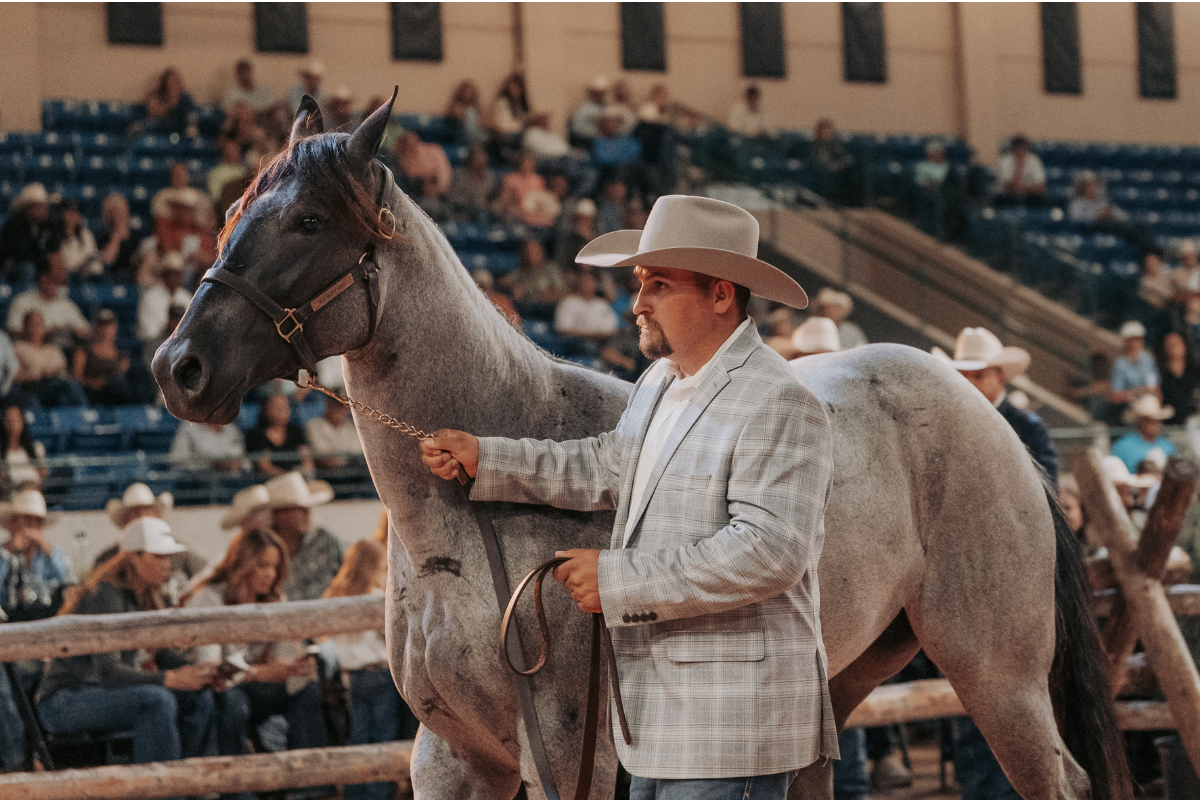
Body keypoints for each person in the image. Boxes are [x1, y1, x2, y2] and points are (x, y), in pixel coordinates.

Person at [420, 195, 836, 796]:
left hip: (732, 728)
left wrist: (616, 582)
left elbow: (769, 552)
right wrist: (491, 458)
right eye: (640, 283)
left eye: (659, 284)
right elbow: (605, 465)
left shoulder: (780, 402)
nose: (636, 302)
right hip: (658, 722)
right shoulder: (660, 383)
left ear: (721, 294)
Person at [38, 518, 217, 779]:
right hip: (66, 700)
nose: (168, 565)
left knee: (199, 698)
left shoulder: (143, 595)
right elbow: (108, 674)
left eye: (169, 557)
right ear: (134, 557)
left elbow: (158, 652)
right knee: (157, 700)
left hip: (94, 695)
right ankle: (159, 791)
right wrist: (172, 678)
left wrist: (200, 674)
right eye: (159, 556)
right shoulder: (105, 595)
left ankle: (191, 785)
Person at [182, 528, 330, 800]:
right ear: (243, 565)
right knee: (232, 701)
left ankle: (310, 788)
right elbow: (213, 670)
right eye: (263, 565)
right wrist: (263, 671)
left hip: (251, 683)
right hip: (211, 690)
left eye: (275, 567)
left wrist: (293, 667)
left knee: (304, 687)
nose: (270, 574)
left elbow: (284, 662)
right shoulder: (209, 598)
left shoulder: (274, 598)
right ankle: (238, 792)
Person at [324, 539, 414, 800]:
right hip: (379, 673)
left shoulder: (334, 598)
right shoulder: (377, 599)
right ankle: (379, 792)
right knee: (384, 734)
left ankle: (355, 791)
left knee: (358, 734)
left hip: (352, 676)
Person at [0, 488, 74, 773]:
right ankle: (17, 760)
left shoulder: (52, 556)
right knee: (7, 685)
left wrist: (48, 551)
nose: (31, 528)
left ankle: (26, 758)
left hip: (48, 640)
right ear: (13, 523)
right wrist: (8, 557)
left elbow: (70, 591)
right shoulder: (2, 556)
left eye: (36, 522)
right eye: (25, 521)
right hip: (10, 641)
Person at [941, 327, 1057, 482]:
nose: (969, 383)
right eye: (963, 375)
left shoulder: (1028, 427)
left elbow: (1047, 491)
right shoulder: (947, 423)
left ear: (1000, 376)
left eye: (978, 375)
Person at [265, 471, 342, 601]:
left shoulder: (327, 540)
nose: (306, 512)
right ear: (277, 514)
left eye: (305, 507)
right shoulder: (264, 545)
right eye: (296, 508)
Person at [7, 255, 90, 350]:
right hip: (33, 350)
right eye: (54, 281)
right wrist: (43, 333)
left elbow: (86, 332)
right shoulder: (23, 301)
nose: (57, 287)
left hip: (65, 351)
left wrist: (74, 332)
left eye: (59, 283)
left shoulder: (67, 304)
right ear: (43, 279)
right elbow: (12, 332)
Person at [11, 309, 85, 408]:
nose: (35, 329)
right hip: (33, 387)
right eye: (32, 325)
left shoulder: (53, 349)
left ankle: (83, 417)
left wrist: (53, 374)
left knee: (71, 388)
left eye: (39, 325)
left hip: (57, 387)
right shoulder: (17, 348)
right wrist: (37, 376)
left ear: (44, 328)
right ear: (24, 327)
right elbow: (13, 377)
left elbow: (64, 374)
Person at [73, 309, 147, 406]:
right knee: (119, 382)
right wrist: (95, 383)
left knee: (139, 371)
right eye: (102, 325)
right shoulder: (84, 351)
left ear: (115, 328)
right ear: (95, 327)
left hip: (120, 392)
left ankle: (144, 407)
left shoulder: (121, 355)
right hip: (96, 393)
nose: (105, 329)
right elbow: (76, 379)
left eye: (109, 325)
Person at [151, 162, 217, 267]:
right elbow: (164, 245)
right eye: (182, 208)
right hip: (172, 264)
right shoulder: (168, 227)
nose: (186, 212)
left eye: (189, 209)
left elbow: (213, 257)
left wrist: (202, 256)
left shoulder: (200, 232)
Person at [246, 393, 313, 477]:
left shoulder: (296, 430)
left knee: (323, 486)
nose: (282, 410)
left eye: (285, 406)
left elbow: (307, 460)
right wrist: (288, 477)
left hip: (298, 477)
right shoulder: (256, 434)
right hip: (271, 481)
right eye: (277, 407)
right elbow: (264, 466)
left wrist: (303, 475)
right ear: (265, 409)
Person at [0, 183, 54, 285]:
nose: (45, 209)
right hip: (13, 271)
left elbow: (52, 249)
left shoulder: (48, 226)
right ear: (29, 208)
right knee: (28, 268)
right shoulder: (13, 226)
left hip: (38, 267)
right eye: (40, 206)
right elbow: (21, 255)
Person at [1111, 394, 1176, 474]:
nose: (1156, 424)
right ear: (1140, 421)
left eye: (1158, 420)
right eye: (1150, 421)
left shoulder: (1167, 445)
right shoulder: (1123, 446)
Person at [1110, 320, 1161, 409]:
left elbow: (1155, 389)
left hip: (1149, 405)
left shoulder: (1149, 360)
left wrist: (1133, 392)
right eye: (1131, 340)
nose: (1134, 344)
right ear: (1125, 342)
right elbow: (1116, 396)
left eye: (1138, 339)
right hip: (1129, 408)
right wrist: (1138, 392)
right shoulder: (1119, 364)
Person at [554, 270, 619, 341]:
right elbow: (563, 330)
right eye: (584, 282)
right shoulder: (568, 302)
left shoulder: (601, 303)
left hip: (605, 341)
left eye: (590, 282)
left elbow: (612, 328)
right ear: (578, 284)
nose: (587, 285)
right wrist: (590, 335)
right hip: (578, 342)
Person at [306, 395, 363, 469]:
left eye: (342, 406)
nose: (338, 410)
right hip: (326, 472)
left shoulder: (352, 427)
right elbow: (322, 456)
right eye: (335, 405)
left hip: (351, 471)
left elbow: (357, 453)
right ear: (328, 405)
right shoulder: (314, 424)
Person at [503, 239, 567, 305]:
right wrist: (513, 286)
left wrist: (539, 295)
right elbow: (503, 281)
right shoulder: (522, 271)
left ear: (541, 251)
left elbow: (560, 292)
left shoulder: (551, 268)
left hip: (549, 307)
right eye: (529, 251)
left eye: (535, 250)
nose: (531, 254)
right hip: (526, 307)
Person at [447, 144, 498, 222]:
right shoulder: (459, 175)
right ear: (470, 159)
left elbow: (494, 198)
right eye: (477, 158)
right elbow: (452, 197)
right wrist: (470, 204)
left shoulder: (491, 177)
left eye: (483, 157)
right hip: (463, 212)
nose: (481, 161)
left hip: (487, 212)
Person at [170, 421, 246, 472]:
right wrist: (211, 465)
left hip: (235, 480)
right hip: (203, 484)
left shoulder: (231, 428)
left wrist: (237, 464)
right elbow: (178, 462)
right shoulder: (188, 428)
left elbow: (244, 459)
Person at [994, 135, 1047, 207]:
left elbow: (1041, 187)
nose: (1020, 151)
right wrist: (1019, 166)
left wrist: (1023, 188)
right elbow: (1011, 188)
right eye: (1017, 148)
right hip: (1008, 198)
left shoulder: (1034, 160)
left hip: (1030, 197)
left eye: (1022, 148)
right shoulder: (1004, 161)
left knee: (1042, 200)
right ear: (1013, 148)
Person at [811, 119, 855, 205]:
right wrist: (832, 166)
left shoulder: (835, 144)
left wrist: (840, 164)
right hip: (822, 173)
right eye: (825, 130)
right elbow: (819, 161)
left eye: (829, 130)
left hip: (839, 171)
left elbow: (843, 157)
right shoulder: (815, 145)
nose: (828, 133)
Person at [1, 405, 46, 487]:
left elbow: (43, 476)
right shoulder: (1, 451)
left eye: (16, 419)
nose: (12, 424)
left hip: (31, 491)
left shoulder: (36, 448)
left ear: (22, 421)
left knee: (35, 498)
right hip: (9, 494)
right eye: (8, 420)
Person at [1159, 332, 1200, 422]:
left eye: (1176, 343)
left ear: (1184, 345)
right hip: (1171, 424)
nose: (1173, 346)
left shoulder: (1196, 372)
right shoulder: (1160, 375)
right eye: (1169, 344)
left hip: (1195, 422)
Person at [143, 68, 196, 136]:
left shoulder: (185, 98)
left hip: (179, 131)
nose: (174, 85)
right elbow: (154, 112)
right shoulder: (156, 96)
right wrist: (170, 103)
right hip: (158, 130)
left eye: (176, 81)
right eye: (171, 81)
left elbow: (192, 116)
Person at [56, 200, 101, 277]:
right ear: (61, 215)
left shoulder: (86, 235)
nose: (72, 216)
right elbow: (62, 266)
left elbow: (96, 264)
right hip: (69, 278)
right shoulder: (55, 236)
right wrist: (78, 267)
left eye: (75, 212)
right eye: (69, 212)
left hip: (90, 277)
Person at [557, 198, 599, 265]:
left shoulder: (597, 239)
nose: (583, 222)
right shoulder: (567, 238)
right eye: (580, 218)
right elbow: (563, 260)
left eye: (587, 219)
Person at [446, 79, 487, 146]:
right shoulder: (456, 106)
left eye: (471, 92)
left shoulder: (476, 108)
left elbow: (482, 123)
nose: (469, 94)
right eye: (467, 91)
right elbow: (457, 122)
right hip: (463, 135)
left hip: (477, 134)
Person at [570, 76, 609, 146]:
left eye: (603, 93)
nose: (601, 95)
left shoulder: (602, 107)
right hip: (588, 140)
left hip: (601, 139)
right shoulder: (586, 108)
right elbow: (577, 129)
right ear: (593, 93)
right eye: (599, 93)